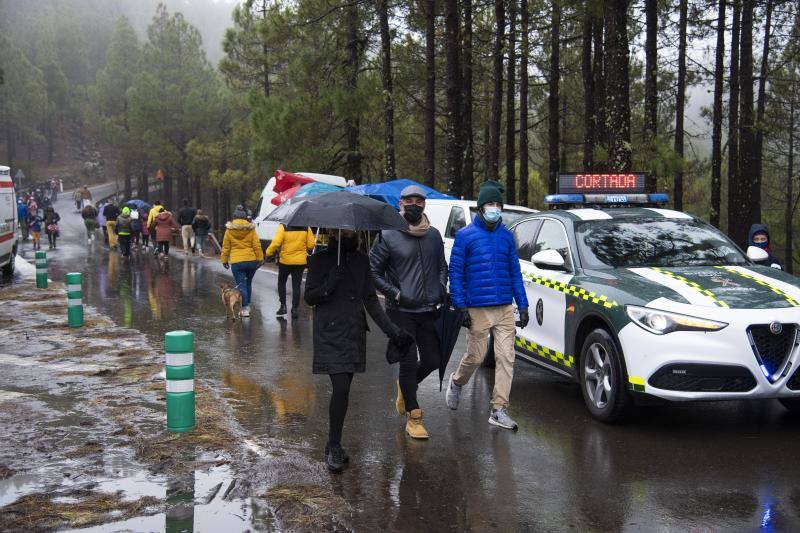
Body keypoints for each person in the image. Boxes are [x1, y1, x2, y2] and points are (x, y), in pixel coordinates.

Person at [304, 229, 413, 473]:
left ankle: (333, 444)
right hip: (330, 331)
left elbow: (371, 300)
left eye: (352, 230)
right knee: (341, 387)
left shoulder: (362, 260)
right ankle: (334, 446)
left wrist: (393, 331)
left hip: (353, 332)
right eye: (344, 230)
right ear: (334, 231)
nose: (349, 233)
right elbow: (309, 297)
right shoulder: (320, 259)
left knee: (344, 390)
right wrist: (330, 283)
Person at [445, 180, 529, 431]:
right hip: (477, 307)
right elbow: (455, 273)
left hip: (504, 307)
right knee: (476, 356)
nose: (495, 208)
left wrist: (522, 304)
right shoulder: (465, 236)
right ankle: (457, 381)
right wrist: (460, 306)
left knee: (506, 358)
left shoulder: (506, 236)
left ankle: (499, 409)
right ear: (481, 207)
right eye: (490, 204)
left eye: (498, 204)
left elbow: (515, 272)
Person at [370, 185, 448, 439]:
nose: (415, 204)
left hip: (427, 309)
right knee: (408, 361)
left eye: (419, 200)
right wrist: (396, 294)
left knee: (433, 360)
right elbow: (374, 272)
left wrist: (441, 287)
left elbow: (441, 266)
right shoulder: (387, 234)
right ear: (400, 204)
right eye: (409, 200)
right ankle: (414, 417)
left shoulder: (433, 235)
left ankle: (405, 387)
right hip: (400, 310)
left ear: (424, 204)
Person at [220, 205, 263, 318]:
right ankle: (247, 306)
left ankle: (245, 308)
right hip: (251, 261)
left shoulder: (229, 230)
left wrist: (224, 260)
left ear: (234, 217)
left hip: (237, 261)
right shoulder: (251, 229)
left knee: (241, 285)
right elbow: (256, 245)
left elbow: (226, 246)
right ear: (245, 217)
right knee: (248, 283)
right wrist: (260, 258)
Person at [266, 224, 315, 319]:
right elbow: (311, 245)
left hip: (285, 261)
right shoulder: (306, 227)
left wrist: (268, 253)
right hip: (300, 262)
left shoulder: (283, 227)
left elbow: (276, 243)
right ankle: (295, 309)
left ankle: (283, 306)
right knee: (296, 286)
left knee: (281, 282)